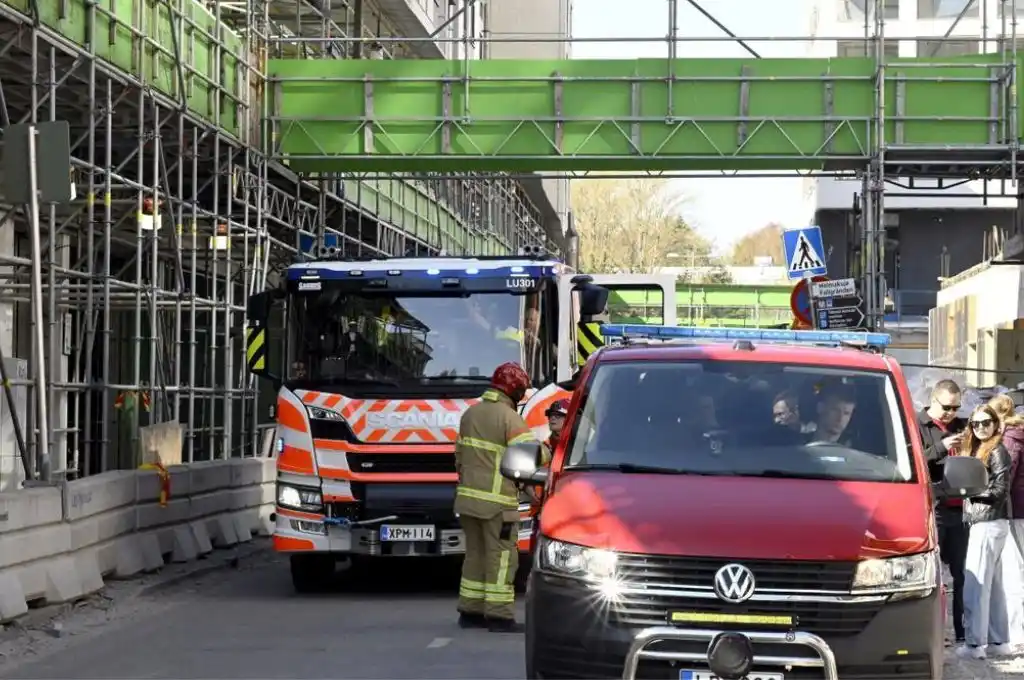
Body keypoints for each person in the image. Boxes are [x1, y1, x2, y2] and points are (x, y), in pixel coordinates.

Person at [454, 361, 536, 633]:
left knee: (474, 555)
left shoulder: (470, 414)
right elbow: (529, 456)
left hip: (467, 501)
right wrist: (547, 451)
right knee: (502, 558)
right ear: (516, 391)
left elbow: (459, 458)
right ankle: (500, 616)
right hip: (497, 505)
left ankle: (470, 612)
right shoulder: (509, 418)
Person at [958, 404, 1022, 659]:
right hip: (990, 522)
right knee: (993, 585)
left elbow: (999, 490)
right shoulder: (980, 449)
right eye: (976, 423)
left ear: (996, 423)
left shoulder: (997, 450)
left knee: (977, 583)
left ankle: (975, 644)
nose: (981, 427)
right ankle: (998, 641)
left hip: (988, 521)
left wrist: (967, 492)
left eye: (986, 422)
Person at [918, 379, 968, 645]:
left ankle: (961, 632)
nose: (951, 413)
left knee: (962, 574)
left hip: (960, 509)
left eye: (956, 407)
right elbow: (911, 460)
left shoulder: (963, 425)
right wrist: (942, 445)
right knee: (933, 577)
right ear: (933, 401)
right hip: (933, 508)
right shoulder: (917, 424)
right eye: (947, 407)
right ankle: (932, 633)